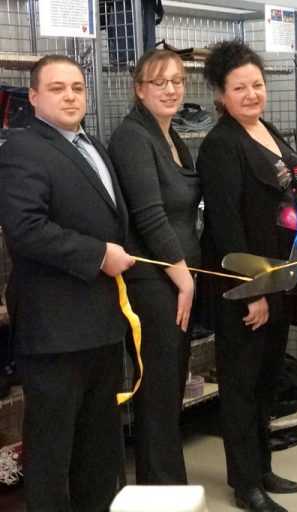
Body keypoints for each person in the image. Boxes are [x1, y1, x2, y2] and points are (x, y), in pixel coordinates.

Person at [0, 54, 134, 511]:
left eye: (77, 87)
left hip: (101, 325)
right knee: (52, 456)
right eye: (57, 88)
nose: (71, 95)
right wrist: (98, 254)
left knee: (100, 452)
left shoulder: (91, 144)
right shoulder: (21, 148)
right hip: (54, 333)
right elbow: (25, 227)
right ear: (33, 97)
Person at [197, 40, 297, 512]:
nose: (251, 95)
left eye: (257, 85)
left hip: (280, 279)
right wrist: (252, 295)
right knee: (241, 386)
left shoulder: (267, 129)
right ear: (220, 95)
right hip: (245, 285)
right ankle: (246, 486)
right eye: (238, 88)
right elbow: (226, 228)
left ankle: (262, 466)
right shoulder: (222, 144)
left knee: (267, 379)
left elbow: (289, 183)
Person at [108, 49, 200, 485]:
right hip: (154, 285)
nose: (171, 89)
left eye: (178, 81)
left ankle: (168, 489)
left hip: (174, 281)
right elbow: (149, 216)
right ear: (139, 89)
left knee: (169, 395)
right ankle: (163, 492)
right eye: (159, 82)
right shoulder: (132, 138)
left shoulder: (169, 135)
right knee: (159, 396)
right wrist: (183, 281)